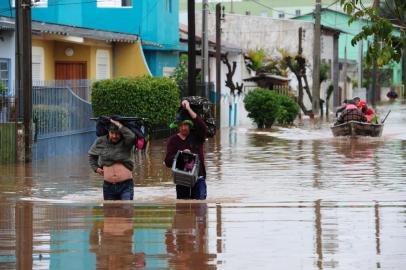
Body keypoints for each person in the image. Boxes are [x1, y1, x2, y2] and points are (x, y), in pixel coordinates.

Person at [165, 100, 208, 200]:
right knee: (182, 212)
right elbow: (167, 161)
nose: (183, 128)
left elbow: (203, 127)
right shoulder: (173, 140)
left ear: (190, 125)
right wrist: (180, 156)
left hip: (199, 177)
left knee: (200, 209)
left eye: (185, 125)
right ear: (177, 126)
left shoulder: (197, 136)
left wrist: (188, 108)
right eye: (180, 125)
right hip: (181, 179)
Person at [88, 118, 136, 200]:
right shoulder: (100, 141)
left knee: (126, 210)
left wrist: (120, 125)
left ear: (121, 133)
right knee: (109, 212)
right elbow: (91, 156)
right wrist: (96, 168)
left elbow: (132, 137)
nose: (114, 136)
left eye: (117, 134)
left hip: (126, 186)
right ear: (108, 132)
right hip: (108, 187)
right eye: (112, 133)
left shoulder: (127, 142)